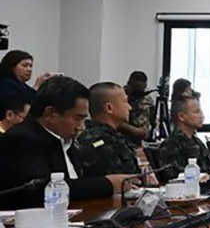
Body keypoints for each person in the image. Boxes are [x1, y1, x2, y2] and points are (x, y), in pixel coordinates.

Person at [0, 76, 134, 209]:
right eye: (77, 118)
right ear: (50, 114)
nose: (81, 126)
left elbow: (80, 182)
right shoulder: (21, 140)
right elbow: (41, 189)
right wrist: (108, 184)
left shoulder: (67, 140)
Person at [75, 82, 143, 178]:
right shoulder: (98, 143)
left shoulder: (114, 136)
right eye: (125, 101)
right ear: (109, 108)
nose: (130, 107)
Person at [156, 95, 210, 183]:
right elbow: (171, 175)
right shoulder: (170, 144)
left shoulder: (197, 141)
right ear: (182, 116)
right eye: (196, 112)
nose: (201, 116)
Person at [120, 71, 155, 145]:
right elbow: (111, 120)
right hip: (122, 139)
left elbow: (153, 120)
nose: (140, 93)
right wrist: (132, 129)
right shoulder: (119, 97)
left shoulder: (147, 99)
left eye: (143, 89)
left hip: (142, 141)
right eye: (137, 89)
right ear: (129, 84)